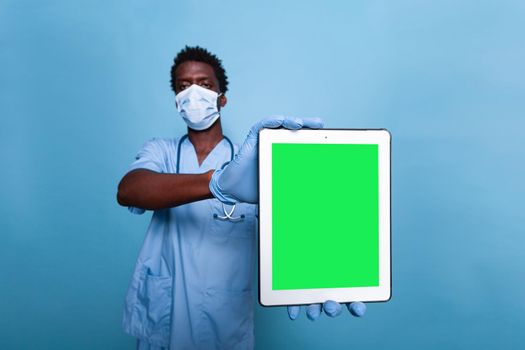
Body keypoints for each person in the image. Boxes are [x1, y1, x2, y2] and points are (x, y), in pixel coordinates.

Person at [117, 46, 365, 350]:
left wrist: (328, 270)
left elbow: (303, 223)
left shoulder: (251, 164)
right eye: (184, 86)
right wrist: (217, 183)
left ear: (222, 98)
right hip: (165, 320)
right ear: (176, 101)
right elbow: (130, 189)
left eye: (205, 84)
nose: (193, 92)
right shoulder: (161, 151)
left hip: (226, 324)